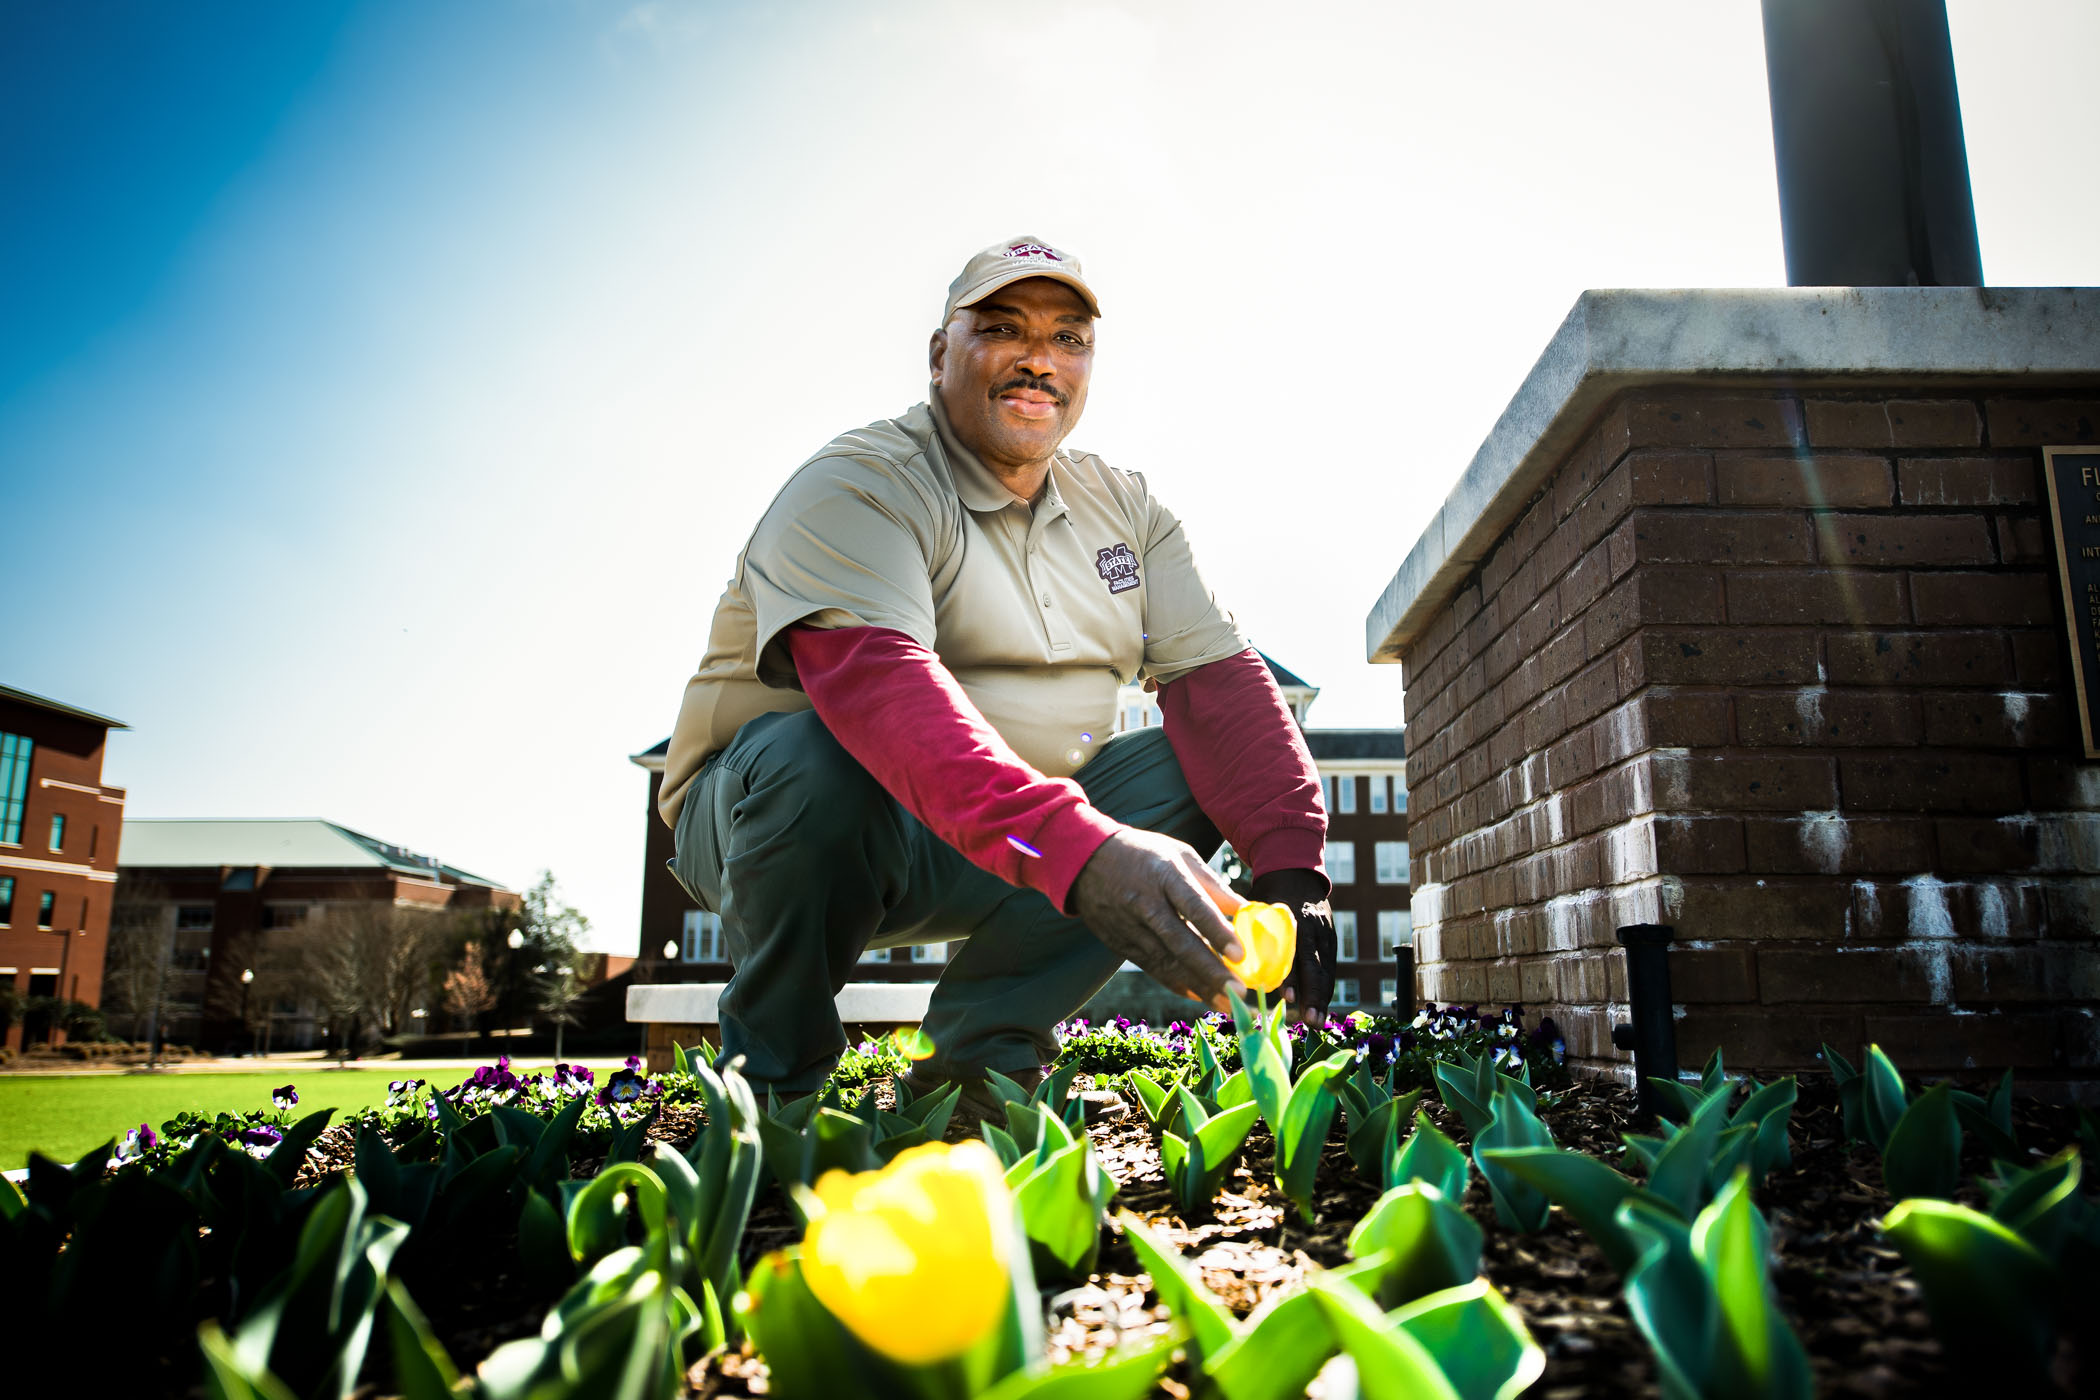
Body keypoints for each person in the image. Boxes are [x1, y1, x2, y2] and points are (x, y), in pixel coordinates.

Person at [660, 235, 1335, 1101]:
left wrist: (1294, 872)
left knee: (1194, 765)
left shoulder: (1128, 511)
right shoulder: (860, 485)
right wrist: (1085, 854)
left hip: (1007, 838)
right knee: (820, 753)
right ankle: (775, 1085)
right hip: (781, 826)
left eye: (1069, 339)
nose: (1039, 360)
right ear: (940, 354)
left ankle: (980, 1061)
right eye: (1003, 327)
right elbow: (882, 695)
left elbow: (1221, 686)